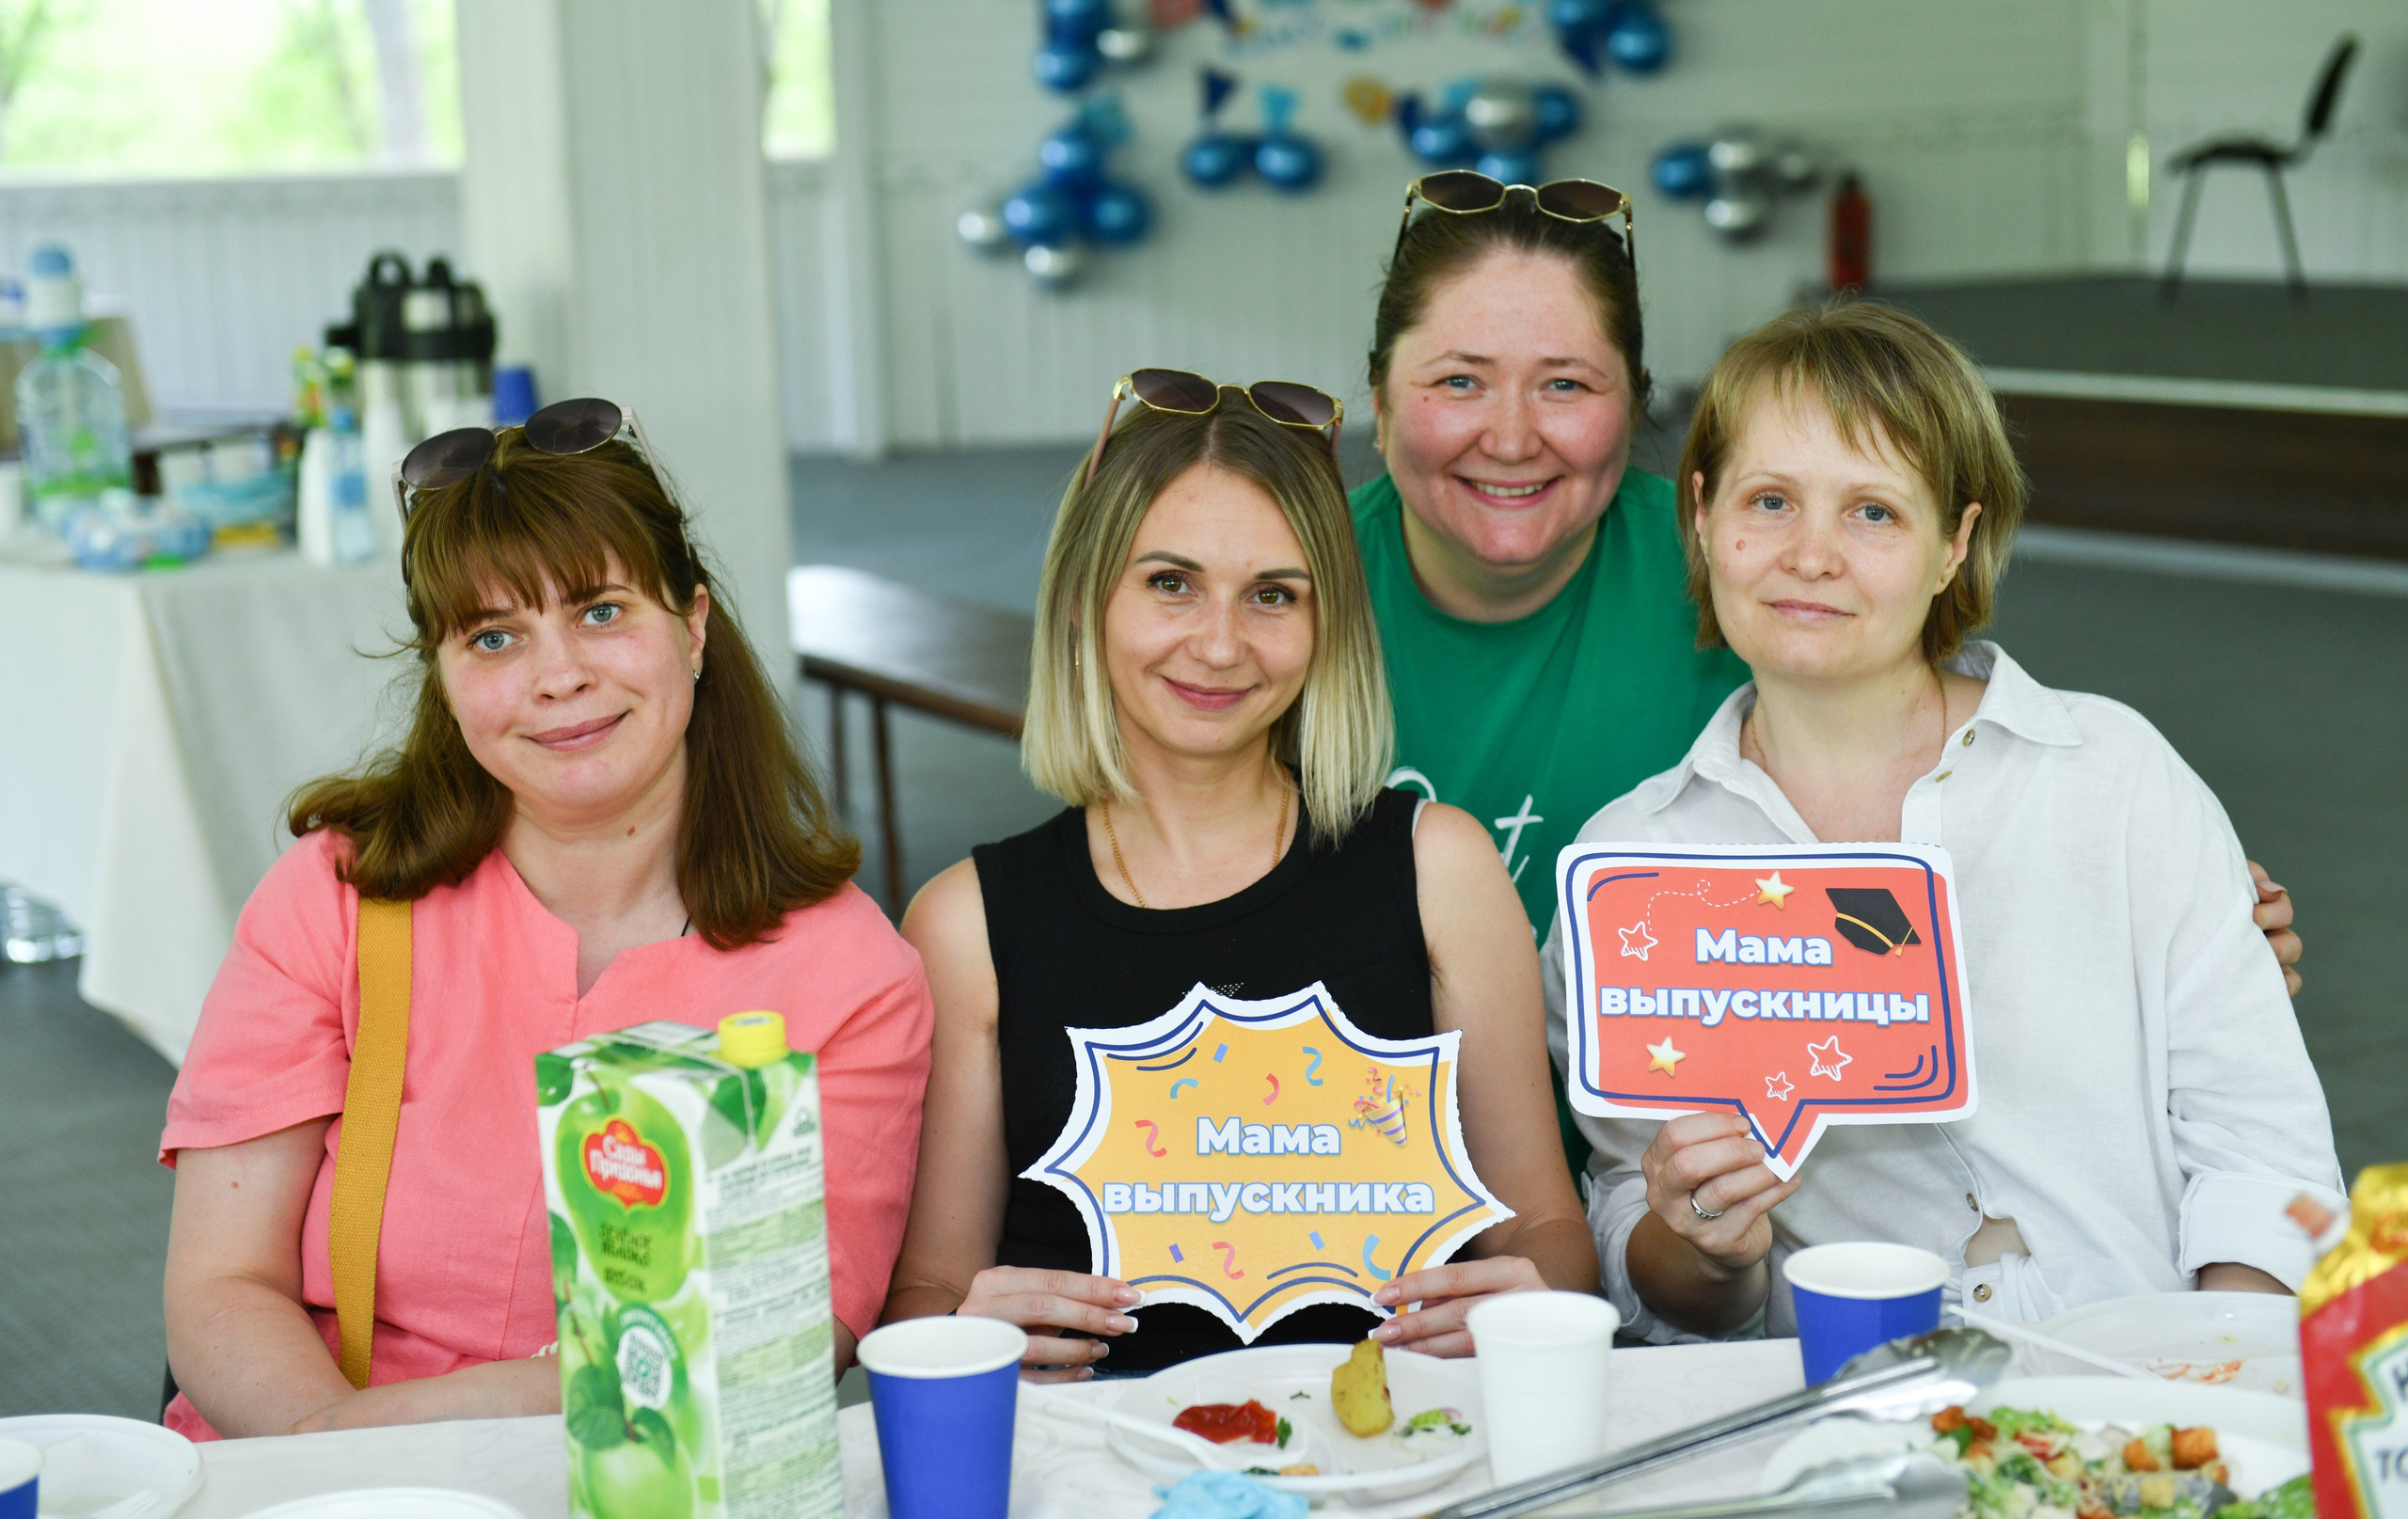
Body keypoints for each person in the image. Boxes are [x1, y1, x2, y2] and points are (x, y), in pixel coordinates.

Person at [1350, 171, 2307, 1166]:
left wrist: (2163, 926)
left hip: (1672, 1185)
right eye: (1457, 380)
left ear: (1635, 408)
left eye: (1565, 384)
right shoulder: (1273, 605)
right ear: (1378, 398)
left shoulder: (1762, 592)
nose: (1510, 435)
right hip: (1356, 1177)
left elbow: (1966, 791)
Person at [1540, 303, 2341, 1340]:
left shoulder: (2112, 775)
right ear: (1699, 515)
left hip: (2154, 1396)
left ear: (1953, 544)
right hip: (1841, 1419)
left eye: (1873, 512)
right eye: (1769, 500)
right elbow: (1646, 1256)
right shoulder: (1631, 870)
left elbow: (2261, 1148)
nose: (1811, 555)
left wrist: (2210, 1398)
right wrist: (1701, 1243)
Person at [159, 404, 933, 1438]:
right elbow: (221, 1285)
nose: (557, 674)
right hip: (299, 1474)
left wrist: (384, 1436)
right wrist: (338, 1470)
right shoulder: (337, 898)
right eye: (494, 636)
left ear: (693, 626)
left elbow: (780, 1335)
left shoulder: (851, 973)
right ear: (442, 672)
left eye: (602, 612)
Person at [883, 372, 1595, 1379]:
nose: (1219, 645)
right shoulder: (967, 923)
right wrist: (969, 1329)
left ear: (1326, 624)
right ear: (1087, 598)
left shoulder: (1439, 869)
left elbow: (1547, 1233)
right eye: (1169, 583)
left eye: (1272, 595)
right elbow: (926, 1292)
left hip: (1396, 1453)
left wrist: (1530, 1297)